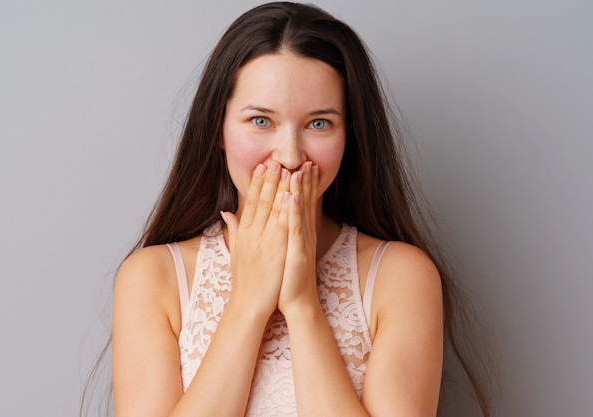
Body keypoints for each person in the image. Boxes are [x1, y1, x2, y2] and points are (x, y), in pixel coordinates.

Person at [110, 2, 493, 416]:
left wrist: (302, 303)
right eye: (260, 121)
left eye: (319, 123)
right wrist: (248, 301)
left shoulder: (401, 276)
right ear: (217, 129)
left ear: (350, 136)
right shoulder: (153, 278)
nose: (290, 155)